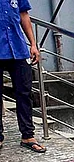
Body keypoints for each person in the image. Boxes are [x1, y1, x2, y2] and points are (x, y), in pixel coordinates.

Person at [0, 0, 46, 153]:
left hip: (18, 48)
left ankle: (28, 136)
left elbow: (24, 15)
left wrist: (33, 44)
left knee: (24, 92)